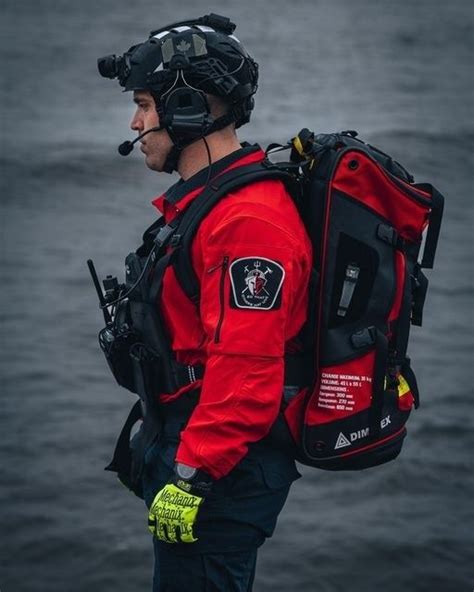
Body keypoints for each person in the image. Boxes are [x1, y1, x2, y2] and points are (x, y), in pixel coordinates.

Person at [97, 13, 312, 592]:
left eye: (144, 105)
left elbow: (248, 369)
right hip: (201, 447)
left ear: (188, 108)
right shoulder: (211, 204)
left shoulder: (247, 223)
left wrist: (191, 478)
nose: (135, 122)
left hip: (223, 470)